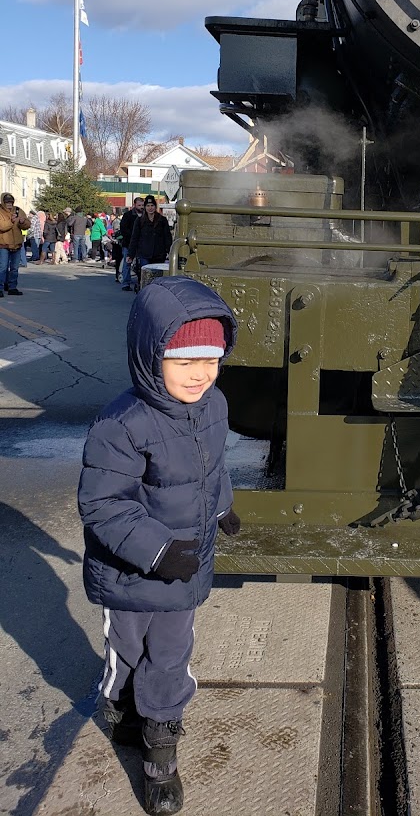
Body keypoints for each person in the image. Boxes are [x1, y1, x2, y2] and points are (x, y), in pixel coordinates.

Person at [77, 277, 239, 815]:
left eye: (210, 360)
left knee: (171, 656)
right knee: (127, 654)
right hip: (131, 575)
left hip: (185, 570)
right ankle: (121, 704)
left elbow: (212, 471)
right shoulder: (121, 424)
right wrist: (156, 551)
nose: (199, 374)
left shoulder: (212, 405)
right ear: (150, 357)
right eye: (184, 360)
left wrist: (221, 509)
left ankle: (160, 751)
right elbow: (103, 504)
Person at [128, 196, 172, 281]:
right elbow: (135, 238)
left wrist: (169, 251)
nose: (150, 208)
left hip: (159, 254)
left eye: (152, 205)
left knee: (157, 277)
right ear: (145, 207)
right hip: (144, 254)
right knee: (145, 277)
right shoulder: (140, 220)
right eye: (148, 206)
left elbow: (167, 236)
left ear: (155, 207)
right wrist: (131, 254)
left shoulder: (162, 220)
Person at [0, 193, 30, 295]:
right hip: (3, 244)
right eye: (7, 202)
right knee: (3, 267)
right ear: (3, 202)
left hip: (17, 243)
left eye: (11, 202)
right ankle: (0, 288)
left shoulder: (18, 210)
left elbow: (27, 225)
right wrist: (11, 221)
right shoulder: (0, 211)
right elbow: (2, 226)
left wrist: (22, 222)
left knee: (14, 268)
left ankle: (12, 287)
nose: (9, 204)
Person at [119, 198, 145, 291]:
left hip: (141, 245)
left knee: (141, 264)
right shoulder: (128, 215)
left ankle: (141, 283)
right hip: (129, 244)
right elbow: (123, 229)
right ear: (134, 205)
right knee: (127, 263)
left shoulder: (146, 216)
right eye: (139, 205)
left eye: (142, 205)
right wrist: (133, 237)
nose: (141, 207)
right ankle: (126, 283)